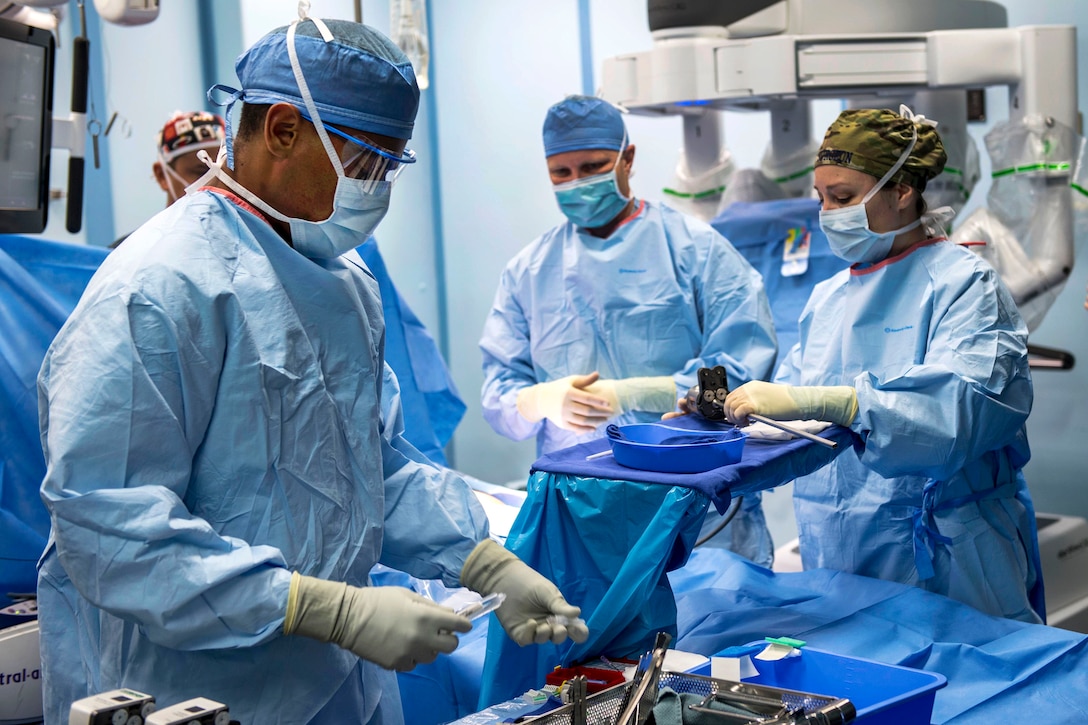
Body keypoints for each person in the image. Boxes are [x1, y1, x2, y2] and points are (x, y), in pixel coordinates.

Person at [36, 15, 586, 725]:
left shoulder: (343, 283)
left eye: (390, 166)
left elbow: (372, 470)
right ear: (284, 130)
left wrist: (483, 561)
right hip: (192, 694)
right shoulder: (156, 288)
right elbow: (110, 527)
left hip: (335, 685)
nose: (378, 187)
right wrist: (318, 605)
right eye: (367, 163)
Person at [723, 106, 1043, 624]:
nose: (828, 213)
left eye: (844, 198)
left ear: (903, 191)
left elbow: (960, 414)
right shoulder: (828, 300)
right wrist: (722, 423)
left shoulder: (965, 286)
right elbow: (796, 419)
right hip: (839, 550)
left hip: (948, 556)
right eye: (821, 198)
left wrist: (840, 401)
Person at [480, 95, 779, 565]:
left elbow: (738, 373)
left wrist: (641, 393)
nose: (578, 183)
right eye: (562, 172)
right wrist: (539, 400)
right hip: (582, 503)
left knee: (711, 626)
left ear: (628, 158)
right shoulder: (529, 272)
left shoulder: (695, 250)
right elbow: (498, 394)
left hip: (693, 500)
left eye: (594, 166)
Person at [110, 111, 227, 249]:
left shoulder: (244, 247)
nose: (218, 185)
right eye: (202, 172)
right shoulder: (128, 253)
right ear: (162, 176)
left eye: (225, 173)